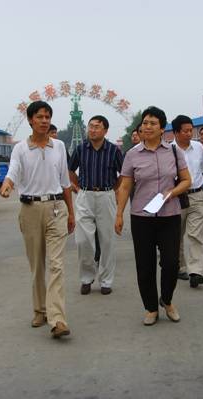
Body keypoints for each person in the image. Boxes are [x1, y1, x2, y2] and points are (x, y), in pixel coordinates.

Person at [0, 100, 75, 339]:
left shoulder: (59, 146)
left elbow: (65, 182)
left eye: (47, 117)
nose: (44, 121)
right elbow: (13, 170)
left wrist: (71, 213)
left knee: (56, 265)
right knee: (37, 265)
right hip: (30, 209)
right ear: (30, 120)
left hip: (56, 208)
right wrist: (7, 183)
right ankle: (40, 310)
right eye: (40, 117)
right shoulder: (21, 149)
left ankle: (57, 319)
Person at [115, 106, 191, 326]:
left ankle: (166, 300)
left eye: (153, 123)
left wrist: (172, 193)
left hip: (170, 215)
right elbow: (125, 186)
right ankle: (150, 308)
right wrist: (119, 214)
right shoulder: (132, 154)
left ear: (162, 128)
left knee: (171, 263)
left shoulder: (174, 152)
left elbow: (187, 180)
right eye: (145, 123)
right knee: (145, 265)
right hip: (142, 217)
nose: (147, 127)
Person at [69, 115, 123, 295]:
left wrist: (113, 189)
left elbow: (123, 173)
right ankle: (86, 278)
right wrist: (78, 187)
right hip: (85, 196)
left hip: (106, 196)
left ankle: (106, 281)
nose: (92, 130)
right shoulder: (80, 149)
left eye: (96, 127)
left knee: (107, 240)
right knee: (83, 240)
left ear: (105, 130)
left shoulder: (113, 150)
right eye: (90, 126)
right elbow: (70, 170)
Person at [171, 115, 203, 288]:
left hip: (197, 195)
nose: (189, 134)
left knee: (195, 234)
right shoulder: (168, 150)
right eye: (185, 131)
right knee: (176, 234)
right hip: (177, 197)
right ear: (176, 132)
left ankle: (196, 271)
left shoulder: (198, 147)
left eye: (190, 130)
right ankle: (180, 266)